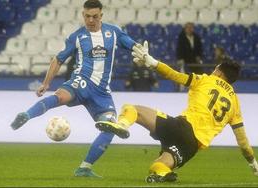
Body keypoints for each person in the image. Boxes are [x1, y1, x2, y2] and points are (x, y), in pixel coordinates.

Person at [95, 41, 258, 182]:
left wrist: (153, 63)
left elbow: (175, 75)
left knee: (132, 109)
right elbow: (242, 141)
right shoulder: (235, 104)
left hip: (181, 127)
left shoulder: (206, 80)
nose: (213, 72)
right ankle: (164, 174)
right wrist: (252, 162)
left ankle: (122, 125)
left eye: (215, 69)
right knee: (157, 166)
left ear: (220, 72)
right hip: (192, 146)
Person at [10, 0, 136, 178]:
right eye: (87, 16)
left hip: (102, 93)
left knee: (111, 128)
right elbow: (58, 59)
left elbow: (132, 45)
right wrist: (46, 83)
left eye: (94, 16)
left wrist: (142, 54)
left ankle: (84, 168)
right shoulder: (77, 36)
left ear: (101, 15)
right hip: (81, 82)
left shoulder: (113, 32)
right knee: (59, 97)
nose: (90, 20)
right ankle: (26, 115)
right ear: (83, 15)